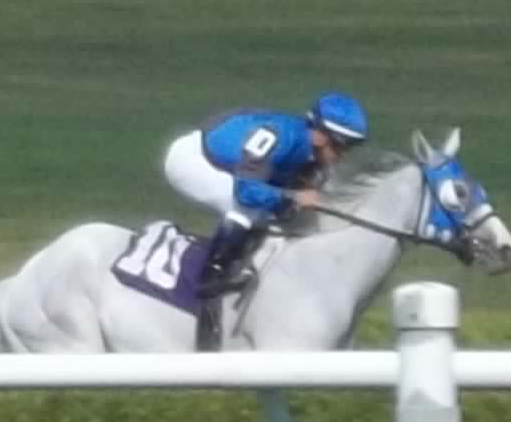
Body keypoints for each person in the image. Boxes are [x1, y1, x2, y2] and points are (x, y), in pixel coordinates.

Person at [157, 90, 373, 332]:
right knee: (247, 209)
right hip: (192, 161)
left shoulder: (310, 154)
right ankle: (209, 281)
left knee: (278, 213)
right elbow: (247, 192)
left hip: (229, 168)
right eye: (340, 147)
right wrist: (293, 197)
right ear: (320, 136)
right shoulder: (280, 137)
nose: (341, 156)